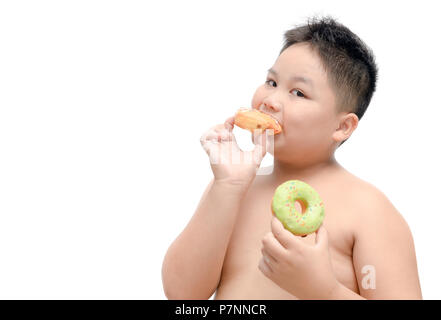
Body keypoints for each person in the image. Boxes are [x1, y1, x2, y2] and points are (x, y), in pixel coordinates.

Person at [162, 16, 422, 299]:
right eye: (271, 82)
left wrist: (326, 290)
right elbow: (182, 294)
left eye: (298, 92)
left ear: (341, 126)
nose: (270, 100)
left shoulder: (369, 210)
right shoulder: (234, 189)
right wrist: (227, 188)